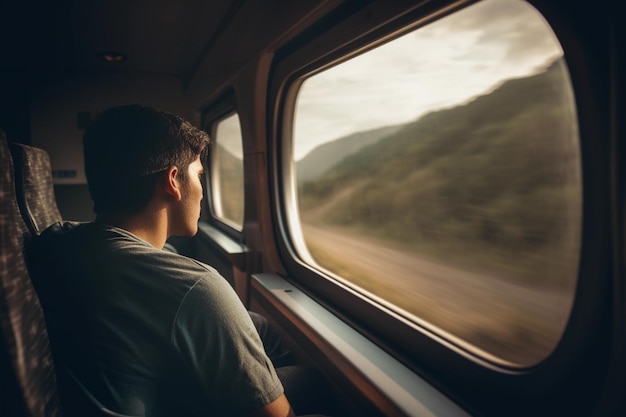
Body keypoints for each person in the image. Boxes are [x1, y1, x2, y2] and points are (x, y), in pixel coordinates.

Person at [32, 105, 299, 417]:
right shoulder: (197, 287)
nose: (202, 193)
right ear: (173, 180)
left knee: (261, 326)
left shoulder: (57, 239)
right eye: (199, 175)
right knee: (313, 381)